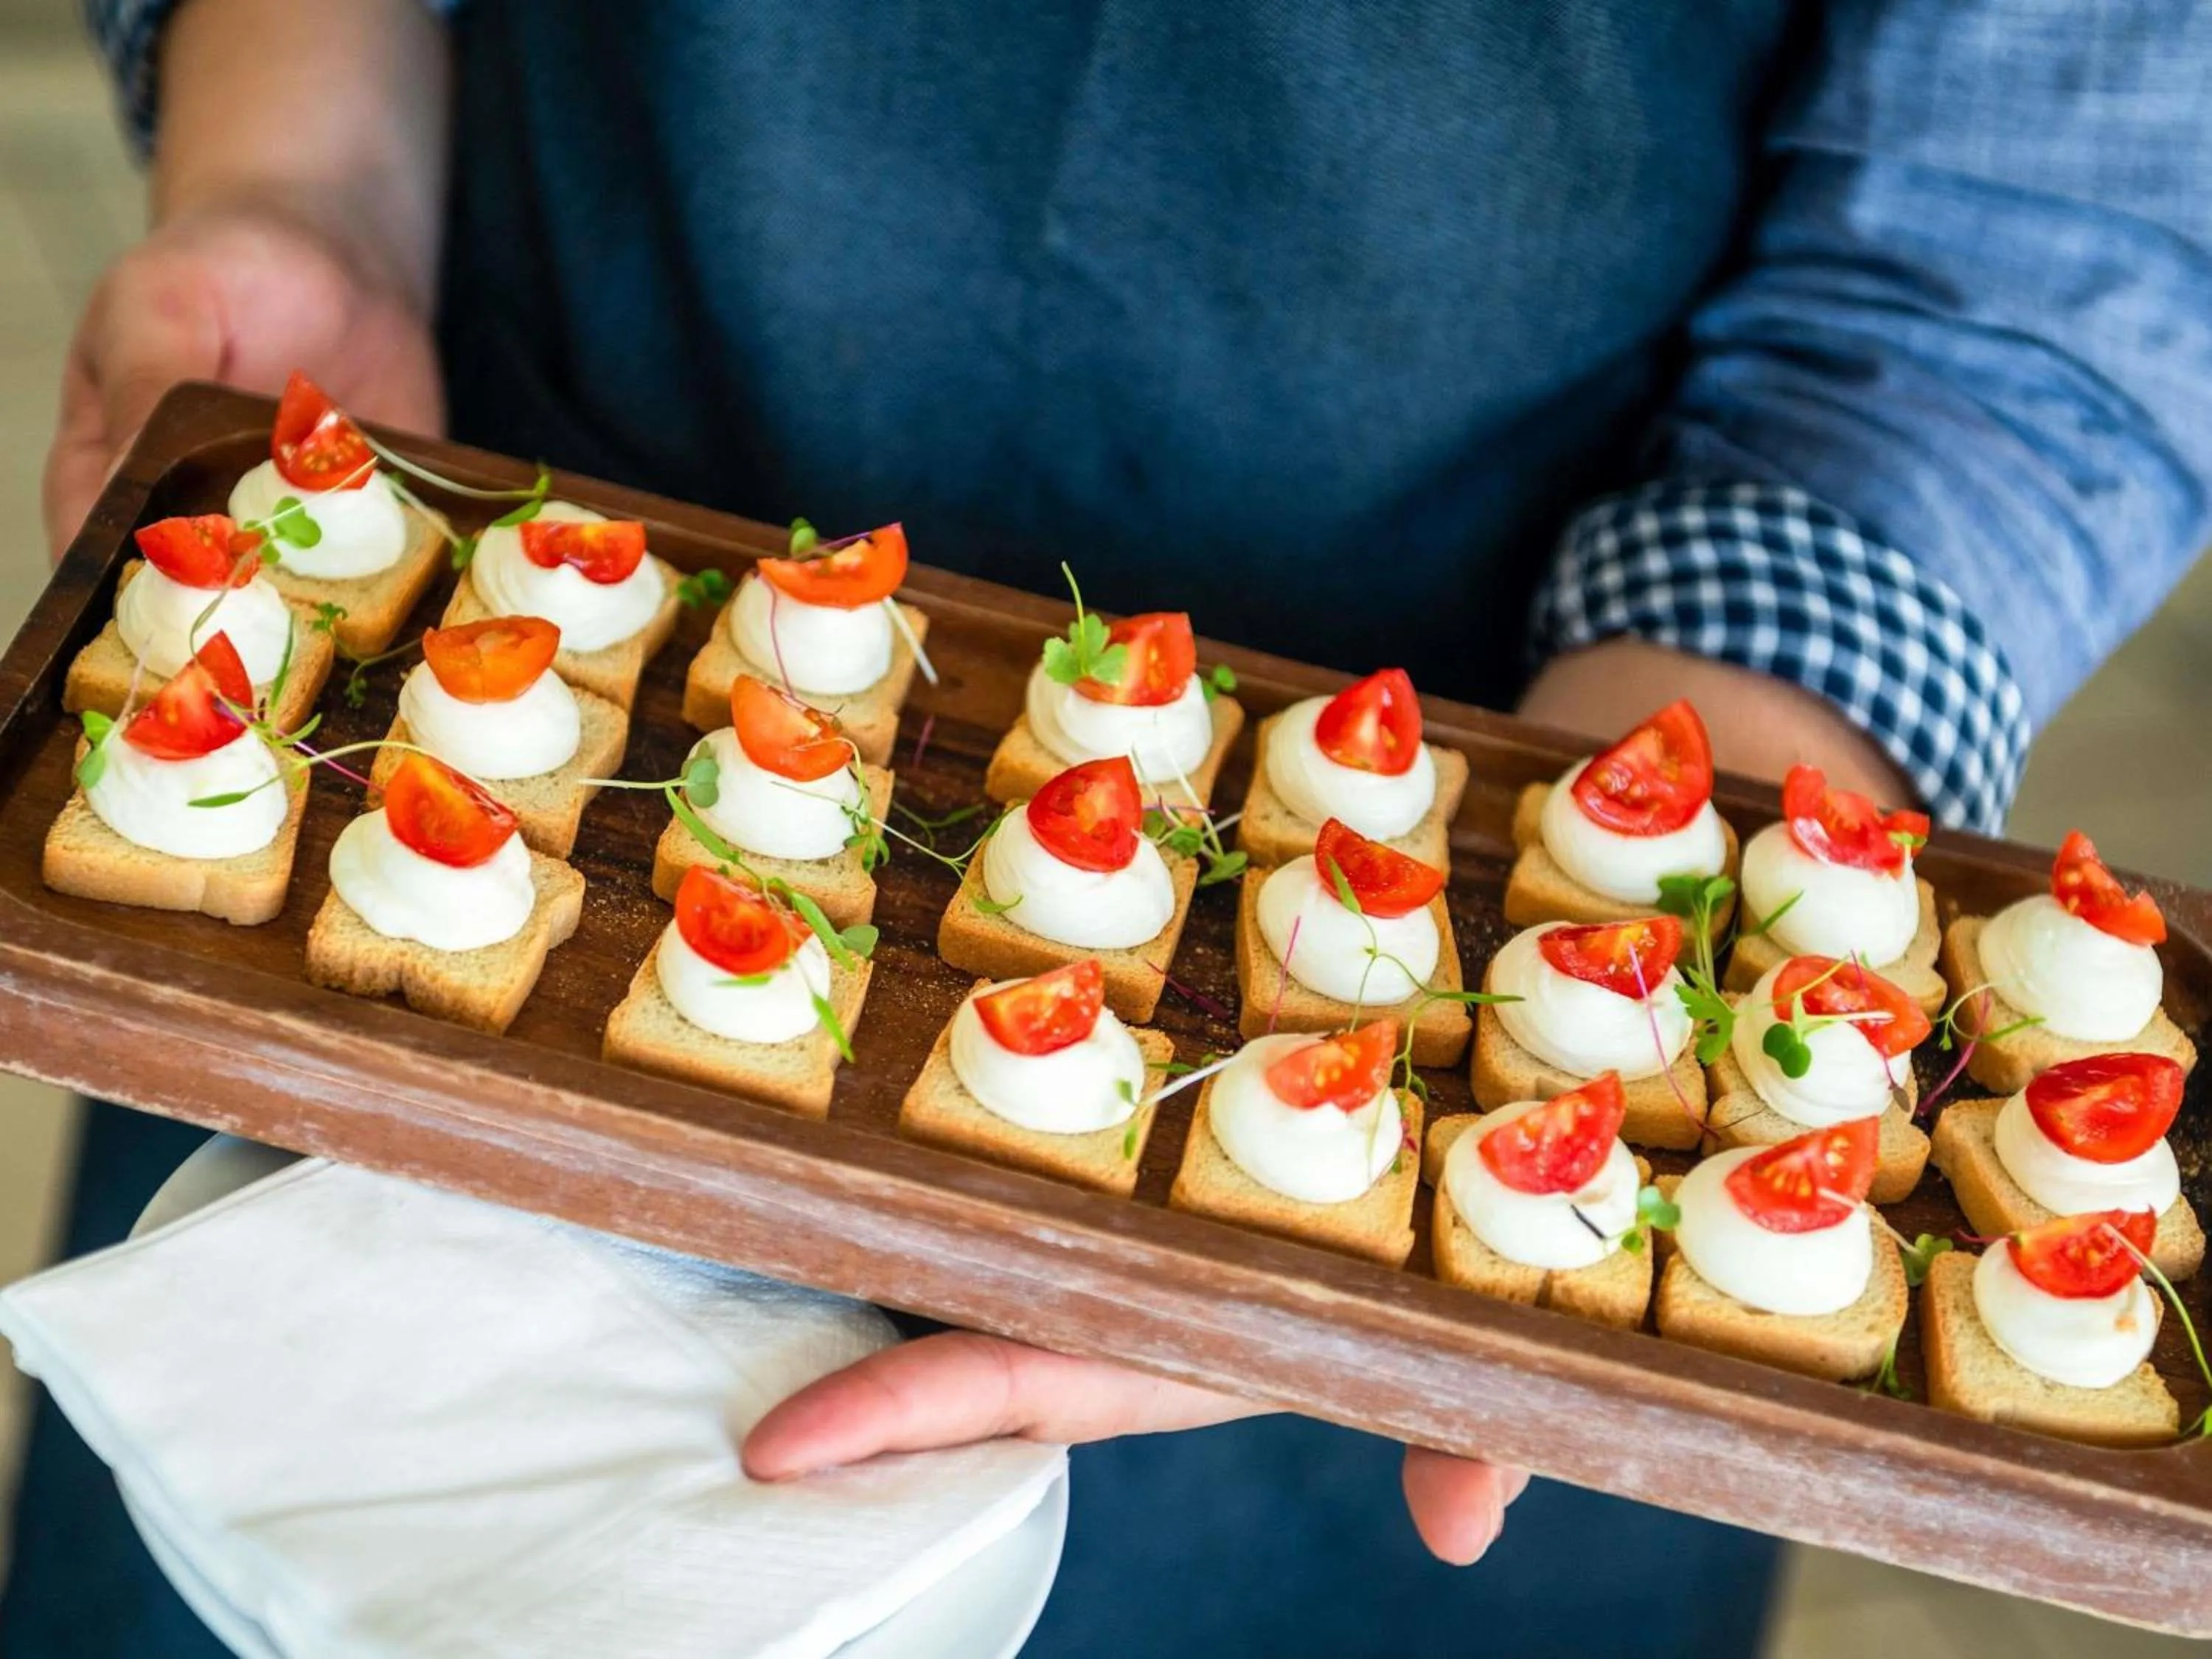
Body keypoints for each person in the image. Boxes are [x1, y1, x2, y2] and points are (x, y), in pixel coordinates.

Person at [12, 1, 2212, 1653]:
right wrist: (306, 171)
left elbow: (2032, 246)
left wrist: (1656, 865)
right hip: (463, 602)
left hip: (1518, 755)